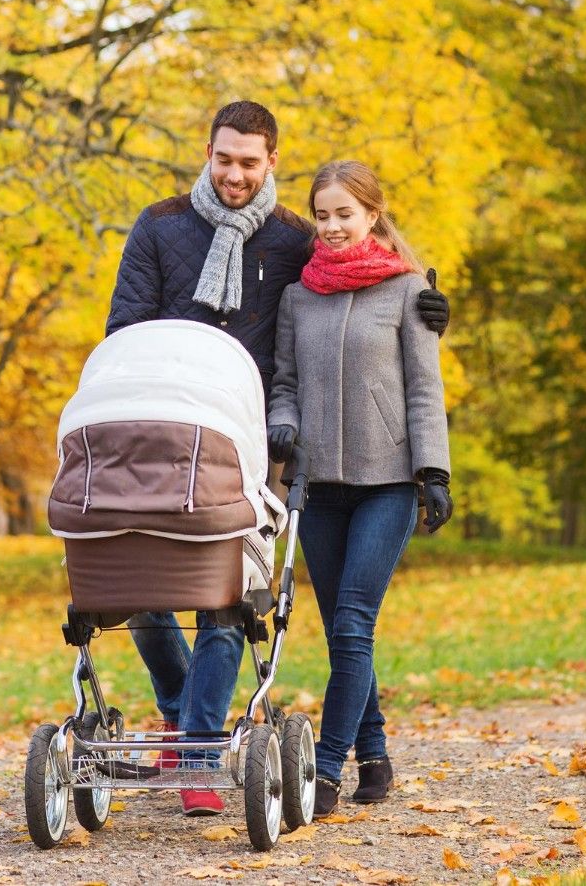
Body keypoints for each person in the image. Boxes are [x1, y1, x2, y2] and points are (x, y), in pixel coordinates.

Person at [105, 103, 450, 815]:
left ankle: (203, 749)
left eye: (249, 162)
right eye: (225, 159)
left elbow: (359, 266)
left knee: (234, 602)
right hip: (164, 433)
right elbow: (124, 328)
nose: (235, 174)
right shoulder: (159, 226)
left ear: (270, 164)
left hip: (252, 448)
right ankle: (180, 711)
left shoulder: (293, 239)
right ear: (208, 152)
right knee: (142, 593)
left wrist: (430, 311)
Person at [266, 159, 453, 817]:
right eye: (322, 215)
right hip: (317, 484)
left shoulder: (409, 292)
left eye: (345, 213)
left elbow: (425, 389)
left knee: (351, 623)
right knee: (347, 631)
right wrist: (282, 425)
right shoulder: (297, 297)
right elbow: (283, 383)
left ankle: (325, 769)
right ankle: (375, 755)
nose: (333, 226)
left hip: (388, 481)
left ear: (372, 214)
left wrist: (434, 472)